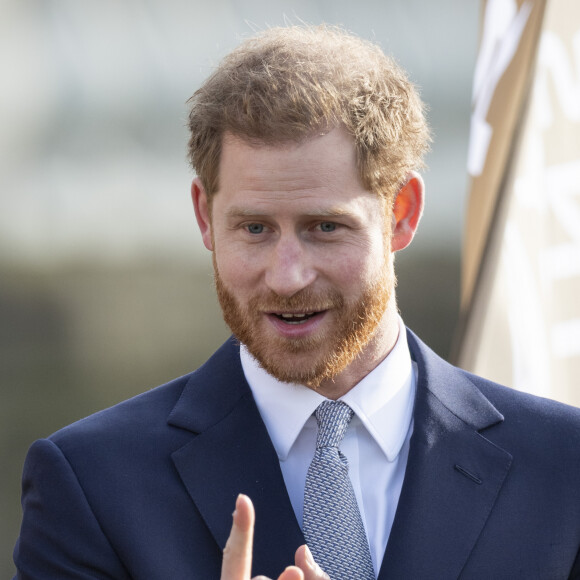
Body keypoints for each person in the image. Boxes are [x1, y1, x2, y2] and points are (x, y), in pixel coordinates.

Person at [13, 24, 580, 580]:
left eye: (324, 227)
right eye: (255, 229)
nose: (287, 277)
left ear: (401, 212)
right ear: (205, 217)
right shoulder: (91, 484)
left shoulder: (564, 469)